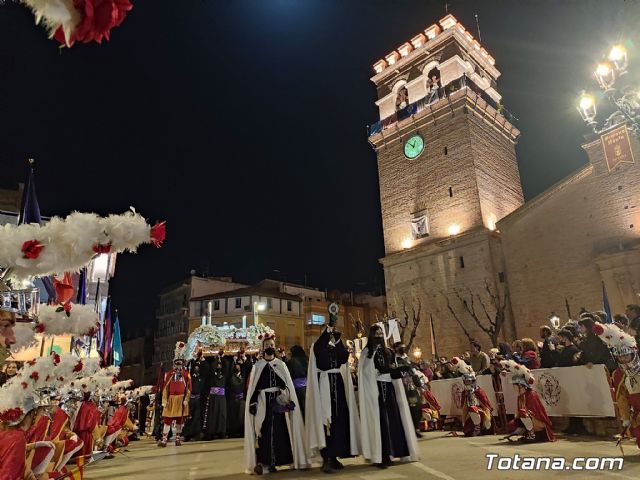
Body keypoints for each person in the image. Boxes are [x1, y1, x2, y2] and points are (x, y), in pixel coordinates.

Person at [244, 333, 308, 475]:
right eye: (267, 346)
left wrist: (287, 398)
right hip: (263, 404)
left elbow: (287, 384)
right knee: (264, 432)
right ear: (262, 347)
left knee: (280, 432)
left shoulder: (281, 365)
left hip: (278, 404)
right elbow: (253, 388)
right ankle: (264, 462)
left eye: (272, 345)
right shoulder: (258, 366)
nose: (270, 348)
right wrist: (253, 402)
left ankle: (279, 461)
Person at [307, 307, 360, 474]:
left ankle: (336, 455)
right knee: (326, 421)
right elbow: (320, 348)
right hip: (324, 388)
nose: (330, 335)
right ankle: (326, 457)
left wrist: (338, 341)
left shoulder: (335, 348)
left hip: (338, 385)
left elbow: (344, 358)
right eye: (328, 333)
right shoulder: (318, 348)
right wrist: (329, 327)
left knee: (339, 420)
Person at [358, 325, 419, 469]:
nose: (379, 335)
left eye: (381, 333)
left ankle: (397, 451)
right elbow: (366, 372)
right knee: (381, 422)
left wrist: (402, 370)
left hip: (390, 389)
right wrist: (376, 373)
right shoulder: (367, 352)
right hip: (376, 390)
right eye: (376, 333)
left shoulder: (389, 352)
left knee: (393, 420)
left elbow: (392, 371)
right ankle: (382, 455)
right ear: (371, 335)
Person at [593, 321, 640, 449]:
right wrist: (625, 416)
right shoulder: (621, 375)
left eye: (626, 356)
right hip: (636, 412)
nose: (624, 359)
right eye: (621, 357)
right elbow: (622, 398)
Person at [501, 360, 555, 442]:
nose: (513, 387)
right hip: (529, 418)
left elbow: (535, 412)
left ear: (520, 385)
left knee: (523, 413)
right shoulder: (520, 396)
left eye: (514, 385)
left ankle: (531, 434)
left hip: (538, 421)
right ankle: (528, 432)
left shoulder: (531, 394)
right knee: (512, 424)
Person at [158, 341, 192, 447]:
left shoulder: (186, 374)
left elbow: (189, 388)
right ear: (174, 364)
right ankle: (164, 440)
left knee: (179, 420)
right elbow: (165, 388)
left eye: (180, 363)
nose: (178, 366)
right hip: (171, 400)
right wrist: (164, 400)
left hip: (181, 400)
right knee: (167, 420)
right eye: (176, 363)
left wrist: (186, 399)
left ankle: (178, 438)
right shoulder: (169, 374)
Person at [450, 357, 493, 437]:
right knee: (467, 431)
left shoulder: (478, 391)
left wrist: (487, 418)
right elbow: (464, 407)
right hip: (470, 414)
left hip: (481, 413)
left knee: (473, 409)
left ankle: (478, 428)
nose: (468, 383)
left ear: (473, 381)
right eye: (466, 381)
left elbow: (486, 405)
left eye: (469, 381)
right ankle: (474, 427)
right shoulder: (465, 392)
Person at [394, 342, 425, 438]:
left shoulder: (406, 359)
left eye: (404, 347)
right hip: (404, 386)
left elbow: (413, 372)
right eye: (400, 348)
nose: (403, 349)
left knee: (418, 407)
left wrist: (419, 385)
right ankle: (411, 429)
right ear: (396, 349)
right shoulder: (396, 360)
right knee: (412, 407)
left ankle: (416, 427)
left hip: (412, 386)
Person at [182, 349, 207, 442]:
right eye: (195, 368)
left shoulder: (201, 378)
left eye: (198, 368)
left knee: (197, 418)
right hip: (190, 400)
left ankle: (196, 433)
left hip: (198, 400)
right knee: (189, 417)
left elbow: (205, 369)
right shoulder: (190, 378)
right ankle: (187, 434)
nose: (197, 369)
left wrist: (201, 359)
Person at [204, 351, 228, 440]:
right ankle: (211, 432)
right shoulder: (212, 375)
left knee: (222, 415)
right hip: (213, 397)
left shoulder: (224, 375)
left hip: (221, 397)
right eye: (217, 365)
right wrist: (217, 358)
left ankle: (221, 432)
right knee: (213, 415)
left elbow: (226, 367)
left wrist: (222, 358)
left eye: (220, 364)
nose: (219, 365)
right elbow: (212, 368)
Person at [286, 345, 308, 418]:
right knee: (306, 408)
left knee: (298, 409)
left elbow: (289, 375)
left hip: (296, 388)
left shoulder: (291, 361)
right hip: (306, 387)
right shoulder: (306, 359)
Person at [226, 360, 246, 438]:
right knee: (233, 417)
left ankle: (241, 432)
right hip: (233, 400)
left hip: (241, 400)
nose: (237, 367)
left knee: (241, 417)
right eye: (236, 366)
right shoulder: (231, 378)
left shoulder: (243, 377)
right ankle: (232, 432)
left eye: (239, 366)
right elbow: (234, 386)